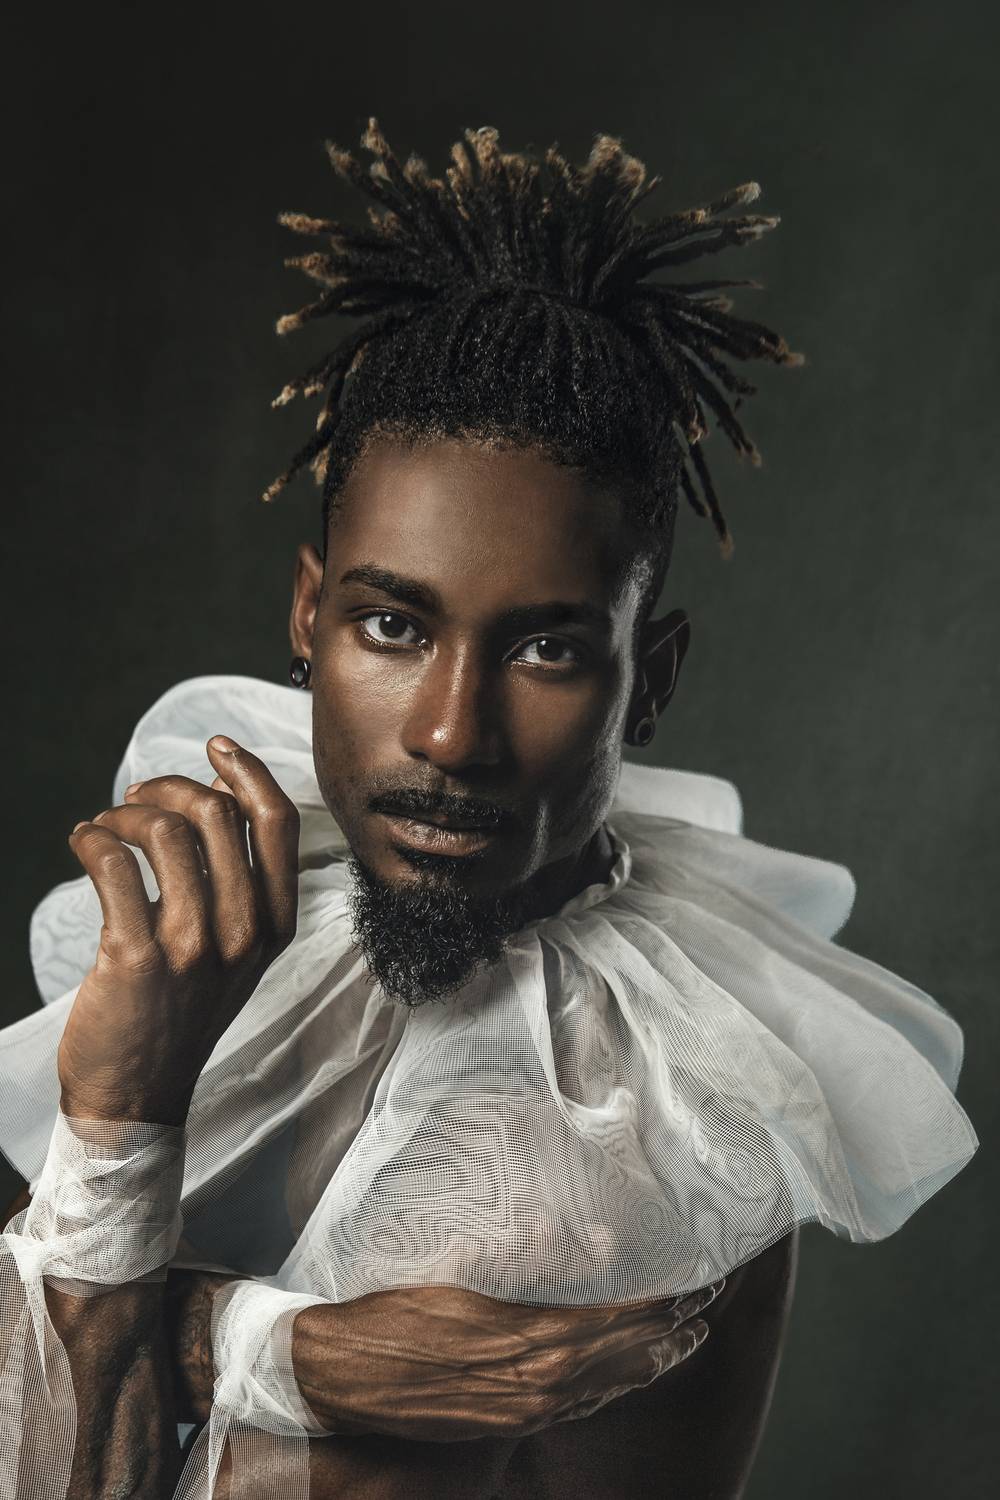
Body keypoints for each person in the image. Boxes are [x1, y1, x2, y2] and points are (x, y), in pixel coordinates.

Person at [0, 121, 977, 1500]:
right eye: (393, 626)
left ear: (651, 682)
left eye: (547, 649)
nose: (452, 735)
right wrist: (273, 1333)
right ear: (307, 618)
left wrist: (146, 1250)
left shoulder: (649, 1125)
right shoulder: (228, 932)